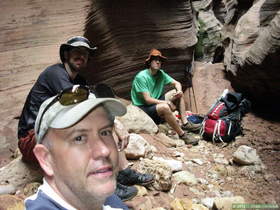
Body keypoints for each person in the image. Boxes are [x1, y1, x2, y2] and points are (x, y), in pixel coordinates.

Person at [17, 36, 153, 201]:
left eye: (85, 54)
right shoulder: (55, 73)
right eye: (77, 52)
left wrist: (111, 122)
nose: (81, 56)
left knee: (99, 123)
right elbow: (82, 106)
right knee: (84, 127)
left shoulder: (79, 81)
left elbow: (95, 104)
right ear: (66, 55)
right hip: (31, 137)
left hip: (53, 132)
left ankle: (123, 172)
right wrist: (117, 123)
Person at [25, 86, 128, 209]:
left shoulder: (106, 199)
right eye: (79, 138)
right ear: (46, 159)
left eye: (105, 132)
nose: (104, 151)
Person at [131, 49, 199, 145]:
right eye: (155, 59)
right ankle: (183, 135)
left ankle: (185, 124)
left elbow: (176, 83)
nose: (158, 62)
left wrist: (179, 91)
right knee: (165, 107)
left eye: (160, 60)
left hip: (155, 102)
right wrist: (166, 102)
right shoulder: (141, 77)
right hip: (143, 108)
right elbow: (147, 100)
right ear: (149, 62)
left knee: (177, 93)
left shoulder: (161, 74)